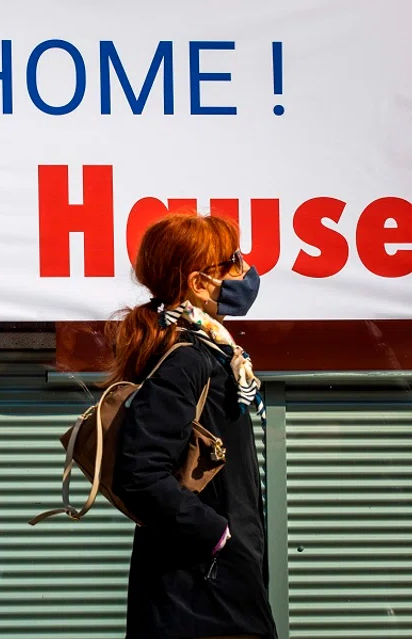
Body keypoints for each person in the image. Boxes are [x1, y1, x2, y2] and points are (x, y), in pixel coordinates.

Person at [109, 212, 278, 639]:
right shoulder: (187, 360)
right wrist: (219, 535)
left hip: (215, 591)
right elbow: (139, 474)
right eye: (233, 261)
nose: (245, 271)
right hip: (199, 603)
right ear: (199, 283)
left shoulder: (213, 354)